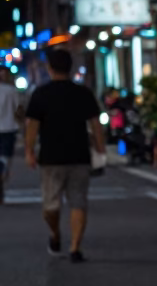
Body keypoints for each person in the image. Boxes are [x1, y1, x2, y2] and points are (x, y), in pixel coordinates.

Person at [24, 50, 105, 262]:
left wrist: (29, 151)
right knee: (76, 203)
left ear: (49, 68)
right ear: (69, 68)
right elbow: (95, 123)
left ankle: (73, 246)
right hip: (78, 154)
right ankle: (64, 238)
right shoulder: (83, 93)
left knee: (52, 205)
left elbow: (32, 125)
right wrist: (100, 147)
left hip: (51, 157)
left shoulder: (41, 94)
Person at [0, 67, 20, 204]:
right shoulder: (11, 91)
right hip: (8, 129)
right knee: (4, 159)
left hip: (8, 128)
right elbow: (18, 109)